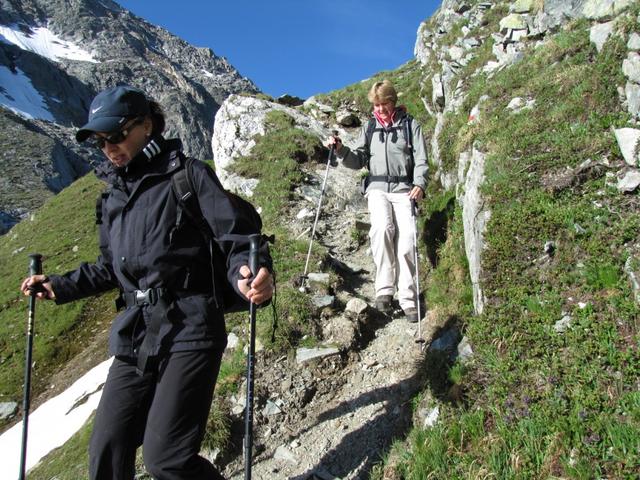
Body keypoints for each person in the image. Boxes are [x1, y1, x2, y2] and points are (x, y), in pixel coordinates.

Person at [20, 85, 274, 480]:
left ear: (146, 126)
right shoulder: (112, 201)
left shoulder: (188, 176)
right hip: (137, 333)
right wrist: (59, 286)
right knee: (107, 448)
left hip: (192, 328)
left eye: (117, 135)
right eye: (101, 141)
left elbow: (238, 240)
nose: (109, 148)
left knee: (167, 460)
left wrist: (250, 277)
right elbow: (112, 268)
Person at [328, 80, 428, 323]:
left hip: (405, 188)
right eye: (376, 105)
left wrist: (420, 184)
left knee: (406, 242)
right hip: (377, 188)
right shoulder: (370, 127)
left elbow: (421, 159)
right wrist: (341, 150)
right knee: (382, 229)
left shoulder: (409, 125)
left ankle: (407, 297)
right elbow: (358, 159)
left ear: (393, 101)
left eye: (384, 103)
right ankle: (384, 290)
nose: (380, 109)